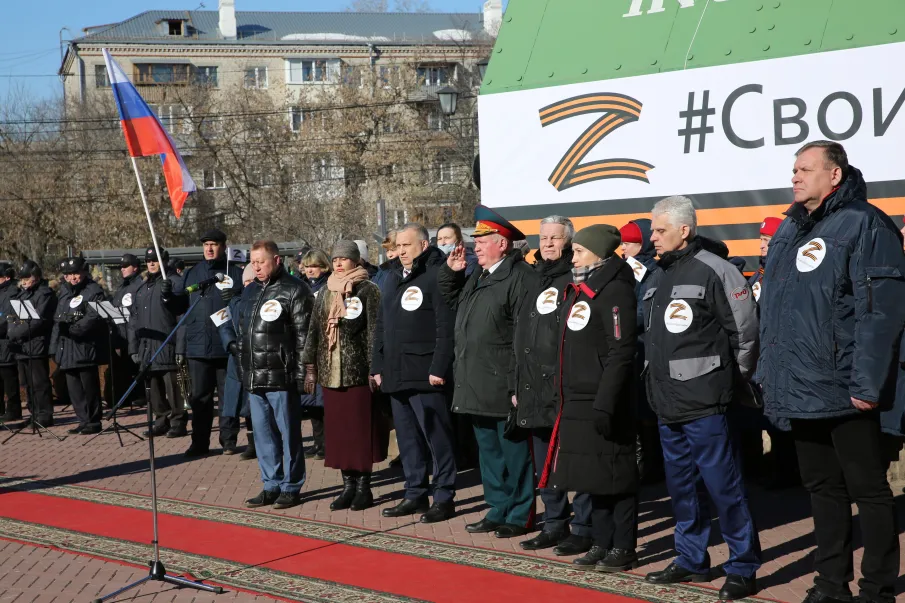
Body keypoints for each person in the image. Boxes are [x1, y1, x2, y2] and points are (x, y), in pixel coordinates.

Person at [757, 141, 903, 603]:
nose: (795, 176)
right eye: (793, 169)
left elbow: (879, 313)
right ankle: (830, 585)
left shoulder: (864, 223)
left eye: (805, 169)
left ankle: (876, 588)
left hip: (846, 388)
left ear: (834, 175)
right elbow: (777, 314)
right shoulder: (788, 230)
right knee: (821, 488)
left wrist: (867, 384)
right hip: (800, 388)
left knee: (869, 490)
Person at [642, 195, 761, 601]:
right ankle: (691, 558)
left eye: (659, 230)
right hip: (666, 403)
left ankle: (743, 566)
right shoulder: (658, 276)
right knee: (682, 489)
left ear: (684, 230)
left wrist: (730, 379)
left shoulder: (716, 270)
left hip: (706, 403)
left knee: (724, 487)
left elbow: (745, 335)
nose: (652, 237)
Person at [540, 224, 639, 571]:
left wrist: (606, 401)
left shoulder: (615, 291)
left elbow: (620, 351)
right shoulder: (580, 289)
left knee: (617, 477)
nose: (573, 256)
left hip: (603, 399)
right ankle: (601, 541)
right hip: (576, 400)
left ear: (598, 254)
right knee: (593, 478)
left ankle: (623, 547)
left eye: (579, 250)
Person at [437, 205, 535, 539]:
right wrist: (452, 272)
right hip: (476, 381)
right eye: (476, 241)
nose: (475, 247)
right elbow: (452, 302)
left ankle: (520, 513)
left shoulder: (520, 277)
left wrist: (517, 383)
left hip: (503, 383)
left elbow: (524, 338)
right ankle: (498, 508)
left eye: (483, 241)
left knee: (514, 454)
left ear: (503, 244)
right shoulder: (479, 276)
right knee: (490, 455)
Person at [514, 216, 593, 556]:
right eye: (543, 237)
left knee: (576, 459)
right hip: (532, 386)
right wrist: (515, 382)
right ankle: (554, 523)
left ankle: (585, 528)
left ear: (568, 242)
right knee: (544, 461)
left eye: (555, 238)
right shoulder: (531, 278)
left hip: (565, 385)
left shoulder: (575, 278)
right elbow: (519, 333)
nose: (547, 244)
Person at [372, 223, 457, 524]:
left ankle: (444, 496)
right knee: (407, 439)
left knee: (437, 437)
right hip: (396, 373)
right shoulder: (393, 278)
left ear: (423, 245)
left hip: (425, 374)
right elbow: (382, 326)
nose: (400, 251)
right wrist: (377, 365)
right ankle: (415, 493)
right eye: (398, 246)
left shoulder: (436, 275)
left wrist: (438, 367)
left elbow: (445, 328)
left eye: (406, 245)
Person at [302, 240, 386, 511]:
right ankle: (347, 486)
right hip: (331, 373)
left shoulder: (368, 290)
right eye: (335, 259)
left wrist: (375, 369)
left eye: (344, 259)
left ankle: (364, 487)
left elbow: (375, 331)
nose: (338, 263)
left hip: (357, 374)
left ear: (356, 261)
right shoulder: (326, 292)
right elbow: (315, 330)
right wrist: (310, 366)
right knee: (338, 434)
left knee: (359, 432)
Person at [236, 240, 313, 510]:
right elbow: (242, 333)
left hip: (282, 375)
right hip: (254, 376)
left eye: (262, 262)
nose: (257, 267)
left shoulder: (295, 290)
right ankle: (271, 484)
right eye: (253, 262)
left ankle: (291, 486)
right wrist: (242, 367)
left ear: (277, 260)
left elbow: (304, 337)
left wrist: (306, 373)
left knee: (289, 432)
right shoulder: (249, 292)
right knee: (263, 434)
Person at [171, 228, 245, 457]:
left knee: (228, 397)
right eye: (206, 245)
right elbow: (180, 306)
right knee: (199, 399)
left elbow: (245, 305)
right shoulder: (193, 273)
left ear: (223, 246)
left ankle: (229, 440)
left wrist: (235, 299)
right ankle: (199, 442)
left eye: (214, 244)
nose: (209, 249)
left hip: (226, 347)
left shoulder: (235, 272)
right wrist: (167, 297)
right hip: (198, 346)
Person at [619, 218, 664, 485]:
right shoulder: (627, 270)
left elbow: (643, 312)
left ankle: (653, 466)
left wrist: (618, 319)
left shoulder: (652, 273)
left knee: (647, 414)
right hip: (631, 350)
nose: (623, 248)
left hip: (645, 350)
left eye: (628, 243)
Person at [128, 247, 187, 438]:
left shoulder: (175, 283)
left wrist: (181, 346)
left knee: (173, 387)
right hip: (147, 346)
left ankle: (178, 421)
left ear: (165, 261)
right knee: (154, 389)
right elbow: (134, 320)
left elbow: (182, 317)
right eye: (148, 260)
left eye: (156, 260)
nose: (152, 264)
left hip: (168, 343)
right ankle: (161, 419)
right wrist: (133, 347)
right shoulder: (142, 287)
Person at [51, 256, 107, 435]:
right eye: (68, 274)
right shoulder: (64, 293)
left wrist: (74, 329)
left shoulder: (93, 290)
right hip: (66, 348)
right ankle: (83, 419)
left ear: (83, 273)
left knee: (89, 387)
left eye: (76, 273)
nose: (73, 277)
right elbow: (57, 322)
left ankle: (93, 420)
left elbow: (93, 317)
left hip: (84, 347)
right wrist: (53, 346)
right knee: (74, 389)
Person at [7, 261, 57, 428]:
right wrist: (12, 332)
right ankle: (33, 412)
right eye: (22, 278)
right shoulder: (22, 295)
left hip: (36, 344)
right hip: (22, 346)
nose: (24, 281)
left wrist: (16, 333)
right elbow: (13, 318)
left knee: (39, 383)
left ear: (36, 277)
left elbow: (38, 321)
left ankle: (44, 415)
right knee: (27, 383)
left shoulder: (44, 294)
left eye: (27, 277)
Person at [218, 263, 257, 461]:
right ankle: (250, 443)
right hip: (237, 361)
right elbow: (224, 324)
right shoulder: (234, 302)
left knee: (256, 404)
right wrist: (230, 343)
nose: (249, 284)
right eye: (246, 281)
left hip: (257, 357)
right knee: (241, 404)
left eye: (253, 280)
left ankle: (258, 442)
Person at [298, 249, 330, 459]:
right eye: (307, 266)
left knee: (323, 401)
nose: (310, 270)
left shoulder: (329, 286)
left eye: (314, 266)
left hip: (323, 348)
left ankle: (327, 444)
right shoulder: (303, 287)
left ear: (323, 267)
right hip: (306, 348)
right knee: (312, 403)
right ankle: (318, 443)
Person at [109, 253, 145, 409]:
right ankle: (127, 397)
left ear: (135, 268)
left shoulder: (139, 286)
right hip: (120, 335)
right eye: (121, 267)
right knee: (123, 370)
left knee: (136, 368)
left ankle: (141, 396)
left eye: (125, 266)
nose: (122, 269)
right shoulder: (122, 286)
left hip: (134, 336)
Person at [0, 263, 20, 422]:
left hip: (6, 342)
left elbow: (7, 318)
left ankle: (13, 409)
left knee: (9, 378)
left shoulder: (12, 293)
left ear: (6, 277)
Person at [748, 217, 781, 303]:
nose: (761, 246)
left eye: (766, 240)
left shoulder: (781, 273)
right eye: (761, 239)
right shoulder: (761, 271)